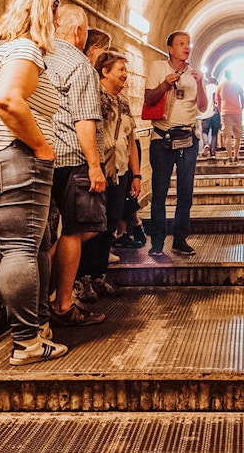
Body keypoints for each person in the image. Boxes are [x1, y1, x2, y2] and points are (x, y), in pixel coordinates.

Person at [0, 0, 68, 365]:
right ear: (45, 15)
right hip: (14, 158)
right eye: (56, 19)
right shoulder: (25, 49)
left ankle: (40, 327)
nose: (57, 28)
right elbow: (8, 100)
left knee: (39, 240)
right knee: (21, 247)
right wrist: (42, 148)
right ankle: (27, 342)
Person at [45, 4, 107, 326]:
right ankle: (62, 306)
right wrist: (95, 167)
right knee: (78, 229)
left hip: (42, 156)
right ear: (79, 32)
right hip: (71, 157)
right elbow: (84, 120)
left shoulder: (39, 55)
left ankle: (43, 299)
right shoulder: (79, 64)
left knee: (47, 234)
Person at [75, 50, 142, 302]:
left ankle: (99, 275)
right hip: (99, 169)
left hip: (120, 171)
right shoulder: (94, 98)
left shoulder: (122, 102)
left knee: (110, 222)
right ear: (104, 71)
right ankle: (83, 278)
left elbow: (131, 139)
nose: (126, 75)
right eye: (121, 70)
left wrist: (136, 175)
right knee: (93, 224)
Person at [144, 30, 207, 256]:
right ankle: (157, 242)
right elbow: (148, 99)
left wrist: (201, 85)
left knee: (185, 192)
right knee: (159, 191)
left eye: (188, 43)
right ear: (170, 48)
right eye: (180, 43)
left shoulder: (195, 74)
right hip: (162, 138)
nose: (186, 47)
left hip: (188, 140)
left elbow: (202, 107)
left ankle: (180, 238)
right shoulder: (158, 68)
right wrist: (164, 85)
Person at [216, 70, 244, 163]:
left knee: (227, 135)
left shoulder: (220, 86)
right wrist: (241, 108)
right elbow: (242, 99)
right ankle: (236, 155)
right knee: (237, 135)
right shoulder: (237, 85)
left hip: (225, 112)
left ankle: (229, 157)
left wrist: (221, 111)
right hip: (237, 111)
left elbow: (218, 101)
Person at [200, 75, 220, 159]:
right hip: (215, 114)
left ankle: (206, 144)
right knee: (214, 134)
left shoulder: (204, 88)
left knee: (204, 131)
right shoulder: (217, 88)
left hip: (205, 113)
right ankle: (213, 153)